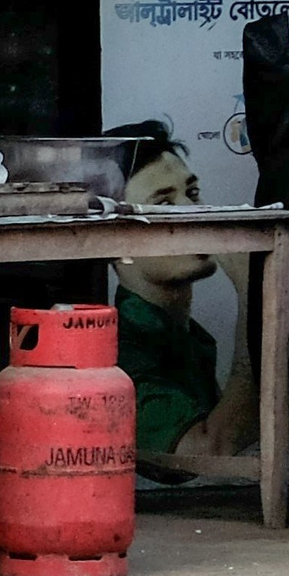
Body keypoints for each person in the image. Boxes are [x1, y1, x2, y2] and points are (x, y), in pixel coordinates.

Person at [105, 121, 258, 462]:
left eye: (191, 194)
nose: (193, 213)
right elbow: (210, 453)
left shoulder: (183, 335)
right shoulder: (116, 355)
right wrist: (257, 297)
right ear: (111, 242)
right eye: (163, 205)